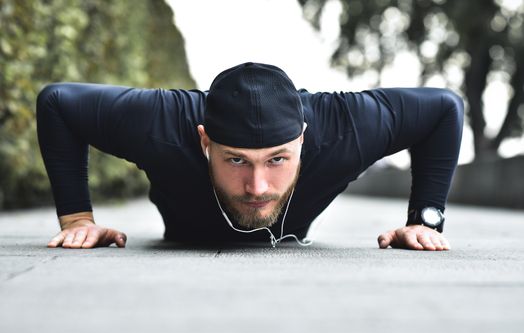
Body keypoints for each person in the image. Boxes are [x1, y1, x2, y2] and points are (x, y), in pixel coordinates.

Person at [36, 62, 464, 250]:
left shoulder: (345, 127)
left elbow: (444, 108)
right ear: (205, 141)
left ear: (303, 139)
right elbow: (57, 102)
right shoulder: (162, 122)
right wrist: (78, 221)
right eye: (236, 160)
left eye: (277, 160)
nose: (257, 187)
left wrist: (423, 222)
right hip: (185, 233)